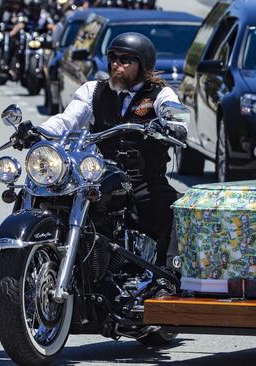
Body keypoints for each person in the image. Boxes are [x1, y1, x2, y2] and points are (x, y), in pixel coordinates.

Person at [15, 32, 187, 267]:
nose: (117, 64)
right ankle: (16, 267)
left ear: (143, 64)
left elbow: (175, 112)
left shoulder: (159, 94)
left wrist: (175, 125)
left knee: (178, 213)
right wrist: (39, 130)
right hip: (99, 175)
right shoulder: (93, 91)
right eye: (114, 58)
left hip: (144, 182)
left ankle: (169, 278)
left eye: (126, 60)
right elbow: (66, 119)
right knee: (39, 193)